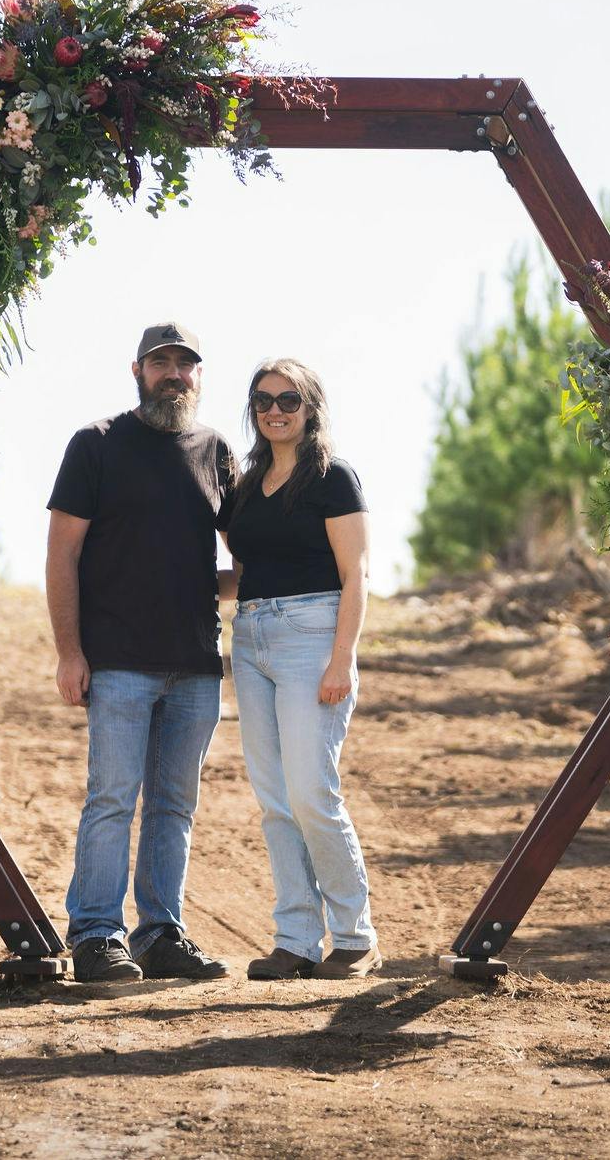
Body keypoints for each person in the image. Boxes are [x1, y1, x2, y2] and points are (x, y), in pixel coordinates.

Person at [46, 322, 237, 983]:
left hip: (196, 666)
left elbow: (247, 555)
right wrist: (70, 652)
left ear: (198, 376)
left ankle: (160, 934)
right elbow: (62, 553)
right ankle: (97, 933)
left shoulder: (216, 451)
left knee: (174, 806)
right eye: (162, 363)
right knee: (112, 798)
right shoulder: (96, 445)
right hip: (119, 661)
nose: (174, 374)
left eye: (186, 365)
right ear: (137, 370)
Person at [221, 359, 380, 979]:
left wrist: (341, 659)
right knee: (274, 799)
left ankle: (354, 935)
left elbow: (355, 575)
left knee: (312, 791)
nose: (274, 409)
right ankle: (295, 939)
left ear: (310, 406)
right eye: (262, 400)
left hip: (314, 639)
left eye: (288, 399)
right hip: (252, 638)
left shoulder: (333, 478)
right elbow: (247, 574)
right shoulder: (246, 485)